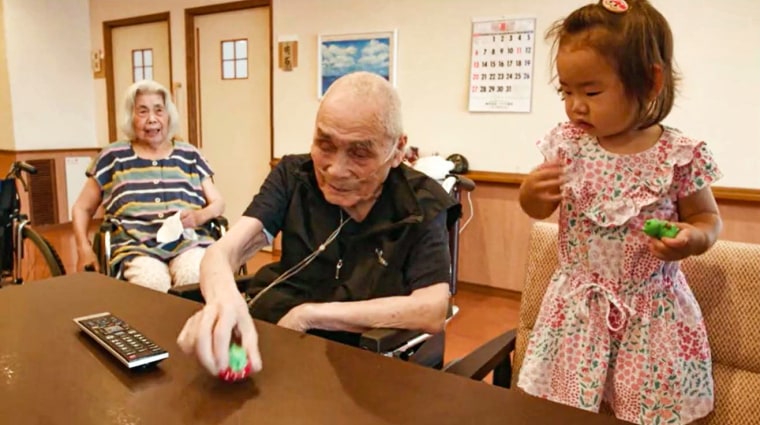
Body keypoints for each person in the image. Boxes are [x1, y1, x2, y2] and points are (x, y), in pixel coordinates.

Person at [516, 1, 721, 424]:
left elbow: (708, 220)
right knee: (562, 409)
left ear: (649, 81)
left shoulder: (678, 154)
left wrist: (692, 239)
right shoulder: (567, 145)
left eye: (591, 92)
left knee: (645, 413)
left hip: (653, 317)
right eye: (566, 92)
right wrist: (530, 193)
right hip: (574, 313)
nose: (575, 106)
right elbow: (538, 207)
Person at [177, 71, 459, 377]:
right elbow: (224, 251)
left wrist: (309, 316)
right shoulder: (293, 175)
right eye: (325, 145)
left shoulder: (420, 202)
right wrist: (222, 298)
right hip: (276, 339)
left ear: (397, 150)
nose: (335, 170)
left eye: (359, 153)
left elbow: (432, 309)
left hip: (357, 357)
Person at [72, 80, 225, 292]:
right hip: (135, 246)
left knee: (195, 277)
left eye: (158, 110)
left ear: (168, 116)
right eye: (142, 112)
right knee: (152, 284)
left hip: (188, 241)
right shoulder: (113, 157)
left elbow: (218, 203)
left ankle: (193, 325)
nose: (152, 120)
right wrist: (83, 248)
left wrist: (199, 217)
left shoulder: (189, 155)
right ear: (131, 118)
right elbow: (82, 207)